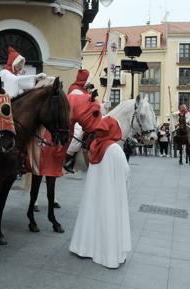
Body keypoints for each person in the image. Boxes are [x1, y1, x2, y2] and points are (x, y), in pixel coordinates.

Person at [68, 93, 130, 269]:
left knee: (92, 216)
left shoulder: (95, 147)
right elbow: (126, 172)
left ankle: (84, 246)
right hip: (110, 193)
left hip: (94, 194)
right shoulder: (116, 150)